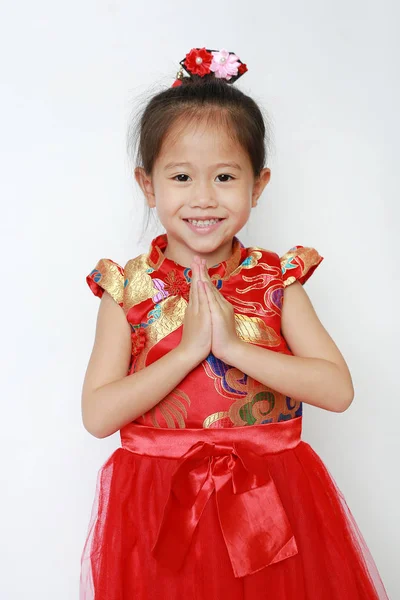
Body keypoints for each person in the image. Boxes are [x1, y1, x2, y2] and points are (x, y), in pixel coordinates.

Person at [79, 47, 388, 599]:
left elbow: (337, 390)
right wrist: (188, 351)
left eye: (225, 176)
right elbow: (98, 415)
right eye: (181, 176)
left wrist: (236, 347)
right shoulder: (126, 288)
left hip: (274, 499)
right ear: (148, 185)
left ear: (258, 184)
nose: (203, 198)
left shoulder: (277, 279)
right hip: (158, 507)